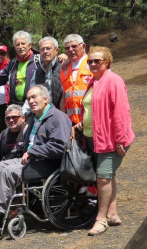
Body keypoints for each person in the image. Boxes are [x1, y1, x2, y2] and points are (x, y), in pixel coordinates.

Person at [0, 85, 70, 229]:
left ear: (46, 99)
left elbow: (59, 147)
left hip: (47, 163)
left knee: (7, 172)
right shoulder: (35, 118)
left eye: (34, 97)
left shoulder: (57, 118)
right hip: (31, 160)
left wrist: (33, 152)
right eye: (28, 98)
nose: (30, 101)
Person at [77, 47, 135, 236]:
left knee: (102, 178)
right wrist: (80, 123)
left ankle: (101, 220)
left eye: (97, 61)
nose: (93, 64)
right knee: (108, 176)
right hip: (95, 138)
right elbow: (92, 108)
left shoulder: (113, 80)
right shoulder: (95, 81)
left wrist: (120, 138)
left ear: (107, 62)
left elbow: (121, 112)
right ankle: (112, 213)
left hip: (111, 139)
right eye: (90, 61)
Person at [0, 31, 37, 106]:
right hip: (15, 105)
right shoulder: (12, 63)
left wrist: (61, 57)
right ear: (15, 47)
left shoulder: (38, 61)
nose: (20, 47)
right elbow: (0, 79)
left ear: (30, 45)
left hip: (33, 105)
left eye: (23, 43)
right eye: (17, 44)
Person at [23, 37, 63, 112]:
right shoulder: (37, 72)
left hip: (59, 114)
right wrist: (22, 114)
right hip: (41, 114)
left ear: (56, 50)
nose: (45, 51)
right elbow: (31, 94)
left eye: (48, 48)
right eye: (42, 49)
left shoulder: (63, 68)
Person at [60, 34, 92, 125]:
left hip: (90, 120)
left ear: (83, 46)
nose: (70, 50)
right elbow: (64, 96)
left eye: (74, 46)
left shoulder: (93, 63)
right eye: (67, 48)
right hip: (72, 123)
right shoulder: (64, 68)